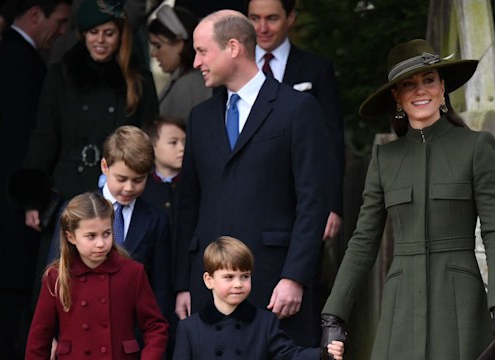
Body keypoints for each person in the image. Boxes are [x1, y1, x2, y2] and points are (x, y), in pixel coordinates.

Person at [320, 39, 495, 360]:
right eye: (408, 84)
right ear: (397, 97)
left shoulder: (475, 146)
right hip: (401, 303)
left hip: (461, 300)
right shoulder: (385, 157)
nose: (420, 90)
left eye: (429, 80)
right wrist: (334, 315)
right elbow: (363, 241)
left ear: (443, 88)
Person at [173, 10, 330, 347]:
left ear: (233, 47)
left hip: (273, 283)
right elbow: (188, 204)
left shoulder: (297, 108)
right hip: (209, 288)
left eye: (202, 51)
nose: (196, 62)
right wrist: (184, 283)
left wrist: (295, 277)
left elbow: (313, 202)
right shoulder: (200, 117)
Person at [12, 0, 159, 230]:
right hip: (66, 189)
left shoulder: (139, 81)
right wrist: (33, 199)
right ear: (83, 34)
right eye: (93, 32)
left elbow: (149, 141)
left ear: (121, 35)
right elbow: (44, 137)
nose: (100, 40)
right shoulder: (60, 76)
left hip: (117, 193)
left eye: (109, 33)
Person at [0, 1, 70, 358]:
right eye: (58, 22)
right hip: (14, 207)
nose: (62, 32)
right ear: (35, 14)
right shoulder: (20, 62)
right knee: (13, 303)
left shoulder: (12, 56)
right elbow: (24, 140)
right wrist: (33, 199)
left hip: (7, 201)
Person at [26, 192, 168, 359]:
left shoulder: (132, 272)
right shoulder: (56, 277)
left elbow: (155, 326)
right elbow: (38, 340)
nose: (101, 243)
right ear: (71, 237)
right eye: (91, 236)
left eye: (107, 233)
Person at [247, 0, 344, 241]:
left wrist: (332, 204)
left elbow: (331, 140)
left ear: (290, 18)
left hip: (302, 201)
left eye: (272, 18)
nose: (262, 27)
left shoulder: (317, 69)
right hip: (248, 197)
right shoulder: (235, 68)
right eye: (254, 18)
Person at [173, 236, 344, 360]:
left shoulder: (265, 322)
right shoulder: (189, 328)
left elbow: (290, 355)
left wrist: (322, 354)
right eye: (229, 277)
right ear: (208, 280)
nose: (238, 284)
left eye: (245, 276)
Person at [148, 4, 211, 121]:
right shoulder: (186, 80)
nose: (154, 53)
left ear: (179, 44)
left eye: (158, 46)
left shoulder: (189, 85)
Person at [142, 115, 187, 253]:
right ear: (152, 146)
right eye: (173, 142)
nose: (182, 148)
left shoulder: (194, 184)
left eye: (184, 142)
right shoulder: (141, 187)